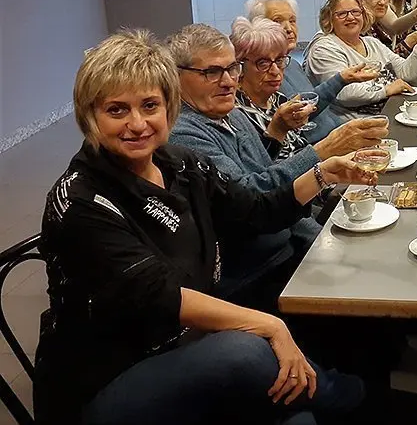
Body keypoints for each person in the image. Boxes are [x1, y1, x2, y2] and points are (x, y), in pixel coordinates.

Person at [33, 29, 373, 425]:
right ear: (89, 115)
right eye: (116, 110)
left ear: (168, 107)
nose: (138, 124)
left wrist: (321, 173)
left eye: (149, 105)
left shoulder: (178, 163)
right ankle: (352, 400)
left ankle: (335, 400)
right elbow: (163, 297)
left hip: (184, 345)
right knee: (243, 351)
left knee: (296, 416)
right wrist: (269, 324)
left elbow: (255, 210)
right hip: (106, 378)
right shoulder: (81, 202)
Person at [166, 23, 389, 307]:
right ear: (176, 76)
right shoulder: (185, 134)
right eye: (211, 72)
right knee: (371, 283)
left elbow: (262, 170)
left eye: (231, 68)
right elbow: (253, 199)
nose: (227, 81)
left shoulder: (228, 111)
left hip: (290, 238)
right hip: (259, 272)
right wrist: (323, 152)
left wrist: (276, 134)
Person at [231, 16, 377, 161]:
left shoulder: (276, 98)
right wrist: (328, 149)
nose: (275, 70)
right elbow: (264, 176)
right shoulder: (238, 116)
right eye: (263, 63)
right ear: (239, 67)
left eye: (280, 60)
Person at [305, 0, 417, 121]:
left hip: (390, 110)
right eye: (342, 14)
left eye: (355, 12)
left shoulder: (371, 43)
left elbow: (405, 72)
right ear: (329, 19)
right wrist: (386, 90)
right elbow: (343, 94)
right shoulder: (324, 48)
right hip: (357, 124)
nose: (350, 17)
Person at [244, 0, 343, 140]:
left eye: (292, 21)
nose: (289, 28)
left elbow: (322, 113)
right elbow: (297, 116)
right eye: (278, 21)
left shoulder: (293, 64)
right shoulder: (262, 74)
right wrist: (342, 79)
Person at [352, 0, 417, 59]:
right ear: (359, 0)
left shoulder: (377, 23)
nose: (382, 2)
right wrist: (408, 43)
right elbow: (383, 66)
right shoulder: (359, 31)